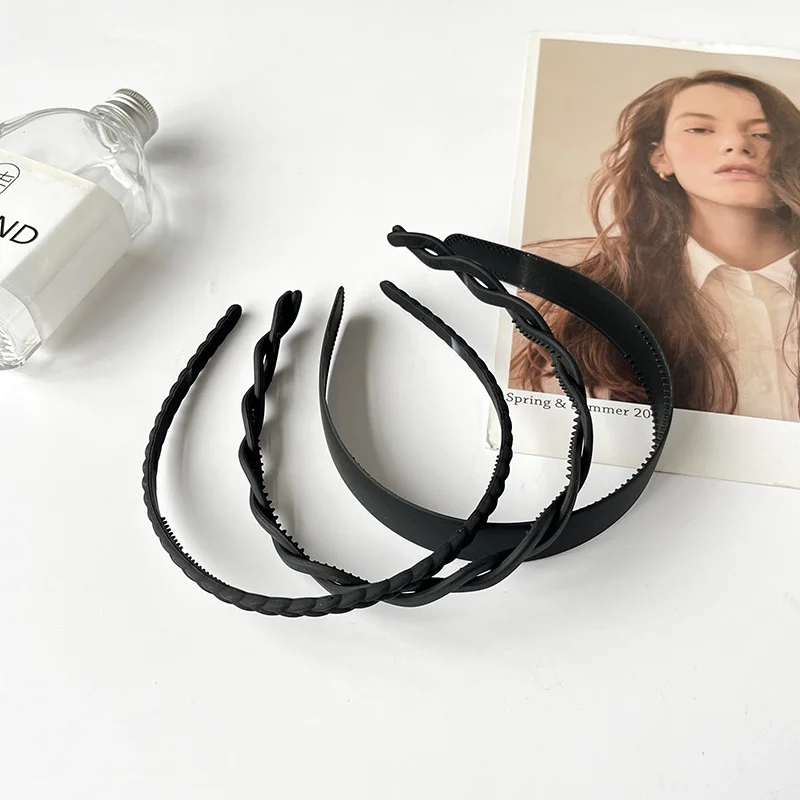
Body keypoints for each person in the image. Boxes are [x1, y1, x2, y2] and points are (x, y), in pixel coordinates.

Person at [509, 69, 800, 422]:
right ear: (660, 156)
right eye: (700, 129)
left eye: (763, 133)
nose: (736, 144)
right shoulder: (582, 294)